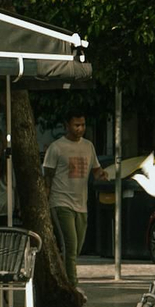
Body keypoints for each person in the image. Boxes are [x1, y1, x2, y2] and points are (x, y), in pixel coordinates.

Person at [42, 111, 106, 287]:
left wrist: (103, 174)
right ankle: (72, 285)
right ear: (67, 126)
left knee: (76, 248)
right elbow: (47, 174)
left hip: (81, 204)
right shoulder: (57, 147)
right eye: (76, 125)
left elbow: (96, 169)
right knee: (70, 245)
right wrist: (47, 199)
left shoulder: (88, 146)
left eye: (83, 125)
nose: (80, 129)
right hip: (61, 201)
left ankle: (58, 276)